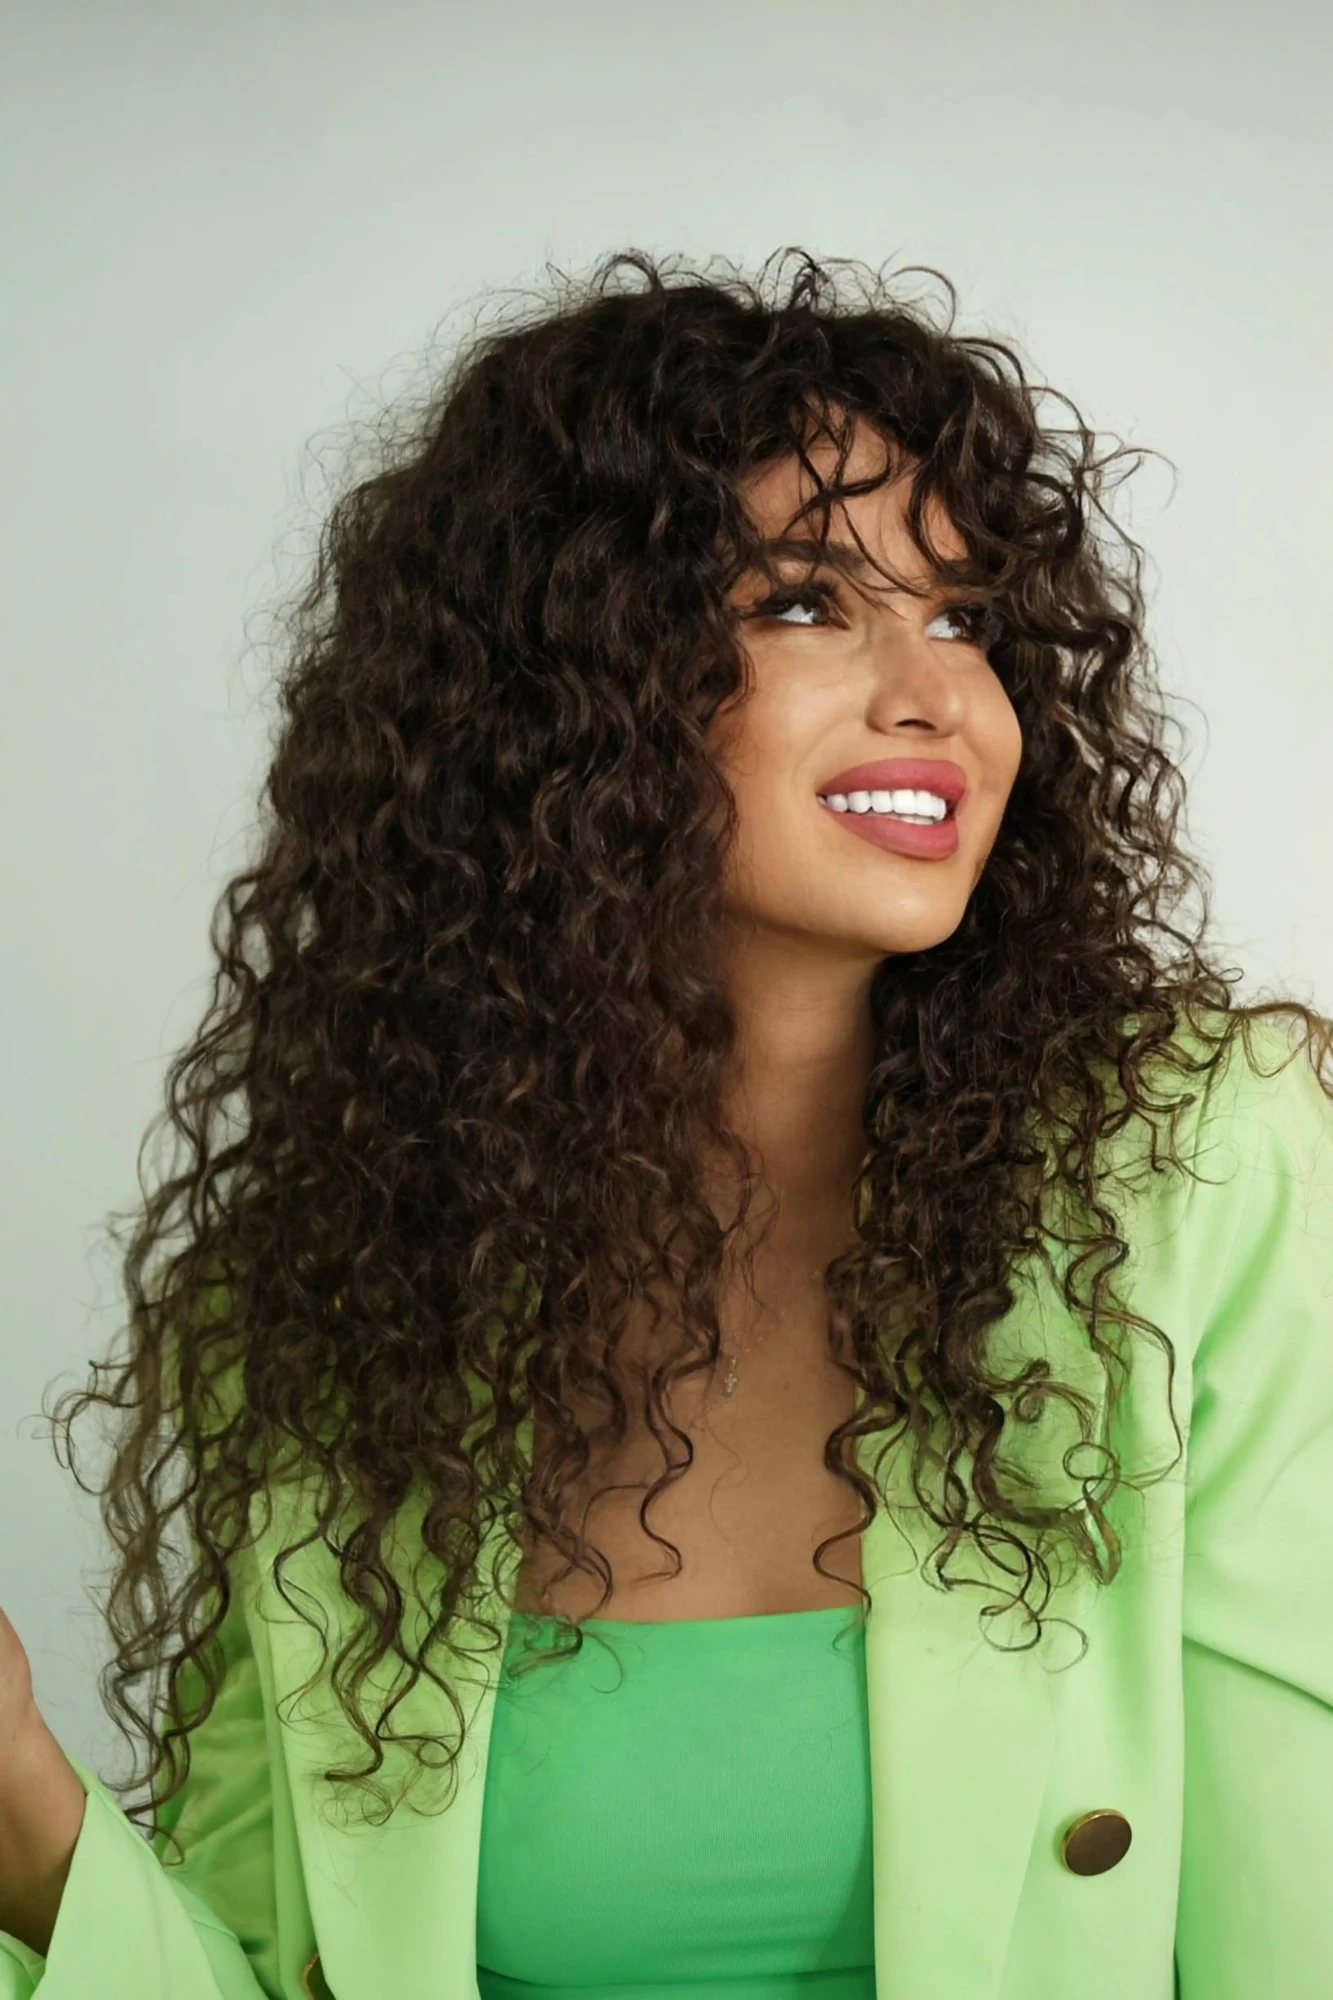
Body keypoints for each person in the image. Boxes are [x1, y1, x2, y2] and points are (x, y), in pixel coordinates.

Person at [2, 247, 1330, 2000]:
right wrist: (24, 1817)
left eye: (963, 618)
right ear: (556, 698)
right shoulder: (346, 1297)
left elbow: (1296, 1907)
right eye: (805, 604)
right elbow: (266, 1973)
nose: (935, 694)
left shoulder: (1196, 1168)